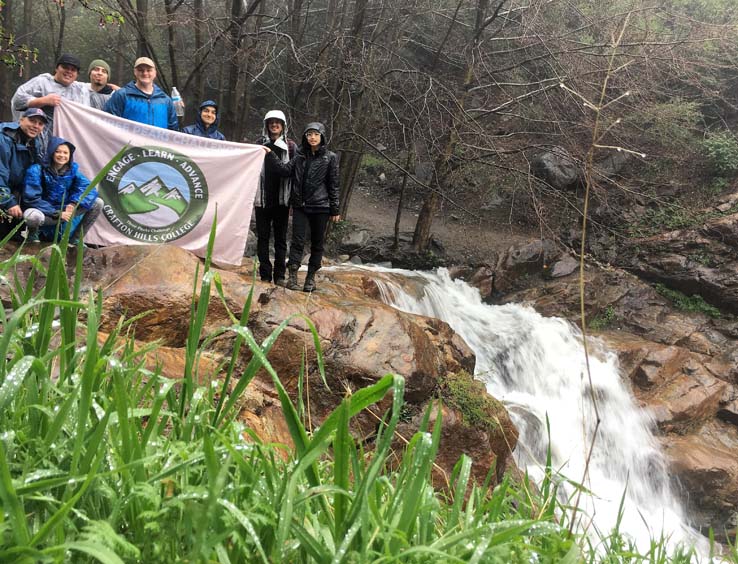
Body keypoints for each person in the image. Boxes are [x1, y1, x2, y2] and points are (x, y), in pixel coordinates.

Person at [265, 121, 340, 292]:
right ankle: (292, 277)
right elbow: (284, 171)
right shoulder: (299, 156)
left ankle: (310, 279)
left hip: (321, 206)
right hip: (300, 206)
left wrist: (335, 208)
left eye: (315, 134)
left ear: (322, 137)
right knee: (297, 241)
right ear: (305, 137)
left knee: (317, 243)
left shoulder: (330, 157)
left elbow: (333, 184)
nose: (312, 137)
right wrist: (271, 155)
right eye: (309, 134)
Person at [21, 137, 103, 244]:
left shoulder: (72, 171)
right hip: (46, 214)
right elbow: (31, 198)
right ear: (51, 152)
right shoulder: (36, 170)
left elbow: (88, 189)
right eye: (58, 151)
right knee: (31, 216)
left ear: (70, 155)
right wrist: (56, 213)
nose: (62, 155)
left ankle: (75, 239)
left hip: (65, 212)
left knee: (97, 203)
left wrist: (74, 203)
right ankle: (33, 237)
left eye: (65, 153)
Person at [10, 54, 90, 151]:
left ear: (77, 74)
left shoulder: (80, 90)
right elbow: (17, 101)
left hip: (64, 145)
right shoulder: (41, 82)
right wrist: (42, 101)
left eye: (73, 70)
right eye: (65, 67)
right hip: (34, 139)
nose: (69, 71)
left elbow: (86, 117)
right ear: (56, 68)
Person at [254, 110, 296, 285]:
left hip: (282, 200)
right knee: (262, 238)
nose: (274, 125)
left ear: (283, 125)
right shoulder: (258, 144)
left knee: (280, 240)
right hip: (262, 199)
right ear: (266, 125)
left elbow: (293, 171)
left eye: (277, 122)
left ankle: (279, 275)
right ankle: (264, 274)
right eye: (271, 122)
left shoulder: (291, 147)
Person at [0, 109, 47, 236]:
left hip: (14, 194)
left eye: (40, 123)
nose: (36, 126)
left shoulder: (35, 143)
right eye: (32, 121)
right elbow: (1, 173)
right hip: (4, 195)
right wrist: (8, 202)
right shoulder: (3, 138)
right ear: (21, 120)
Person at [104, 57, 178, 130]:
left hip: (158, 142)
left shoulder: (165, 100)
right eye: (141, 70)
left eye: (149, 70)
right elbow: (108, 124)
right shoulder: (122, 95)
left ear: (155, 73)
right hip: (128, 142)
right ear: (135, 72)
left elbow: (173, 130)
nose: (145, 73)